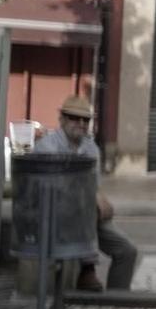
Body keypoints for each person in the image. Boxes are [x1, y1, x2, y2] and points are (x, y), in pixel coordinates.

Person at [34, 95, 137, 292]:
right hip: (54, 215)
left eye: (86, 120)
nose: (81, 124)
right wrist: (93, 198)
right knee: (86, 206)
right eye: (74, 118)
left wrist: (100, 198)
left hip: (85, 217)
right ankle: (87, 269)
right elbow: (59, 187)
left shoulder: (91, 148)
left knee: (127, 251)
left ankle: (116, 300)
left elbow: (93, 185)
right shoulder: (48, 146)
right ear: (62, 119)